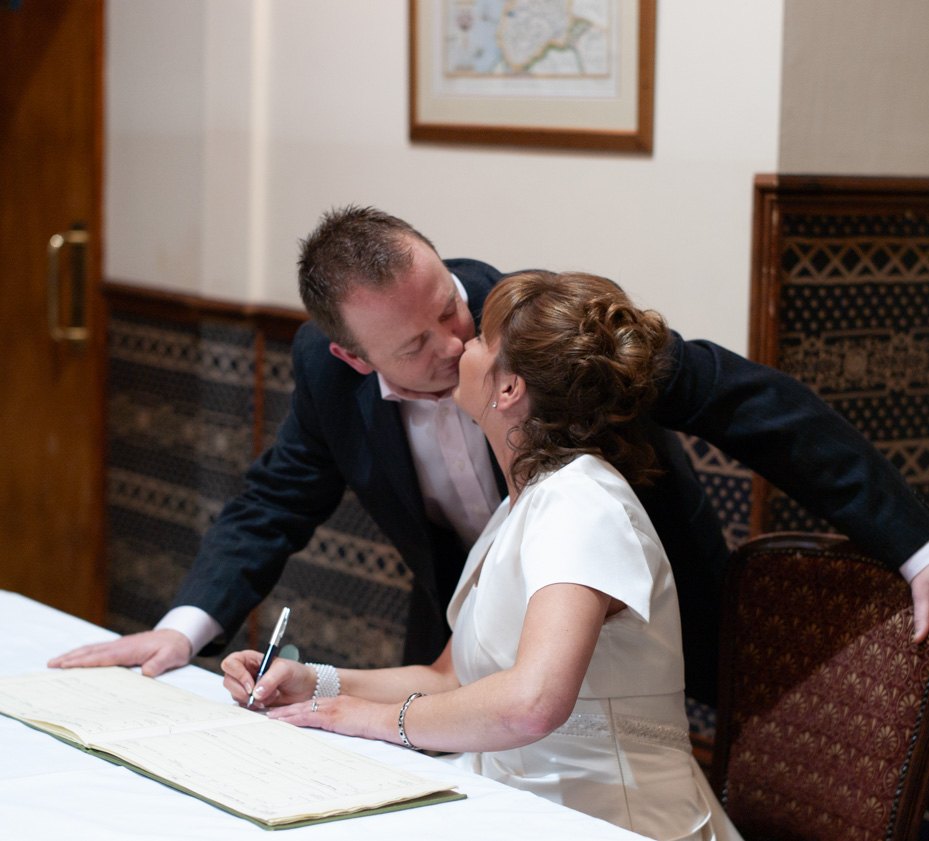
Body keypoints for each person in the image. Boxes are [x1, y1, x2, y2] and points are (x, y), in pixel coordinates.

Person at [49, 206, 929, 705]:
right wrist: (184, 629)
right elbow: (274, 501)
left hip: (647, 616)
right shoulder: (326, 375)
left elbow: (758, 405)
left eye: (449, 304)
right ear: (350, 353)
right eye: (414, 345)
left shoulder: (536, 334)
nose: (457, 345)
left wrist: (919, 547)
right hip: (468, 633)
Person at [222, 270, 739, 840]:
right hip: (516, 805)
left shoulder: (582, 502)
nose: (459, 346)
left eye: (479, 341)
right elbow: (448, 679)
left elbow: (533, 704)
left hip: (608, 821)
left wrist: (375, 722)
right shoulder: (523, 504)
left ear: (510, 388)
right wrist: (317, 683)